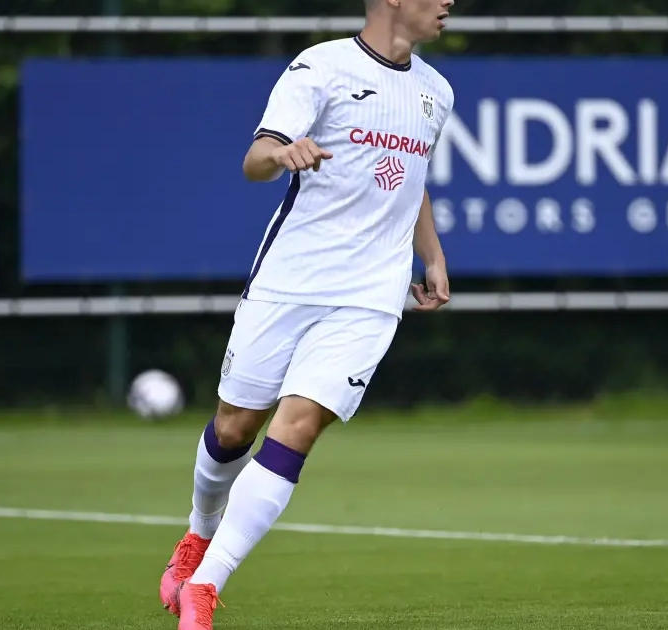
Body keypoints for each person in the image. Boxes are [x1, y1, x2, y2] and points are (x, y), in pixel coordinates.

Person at [159, 0, 457, 628]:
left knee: (297, 427)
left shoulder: (437, 91)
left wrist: (431, 255)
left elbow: (413, 181)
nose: (448, 2)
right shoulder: (321, 66)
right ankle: (197, 534)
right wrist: (282, 154)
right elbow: (254, 159)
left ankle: (205, 586)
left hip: (371, 295)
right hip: (290, 280)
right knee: (236, 427)